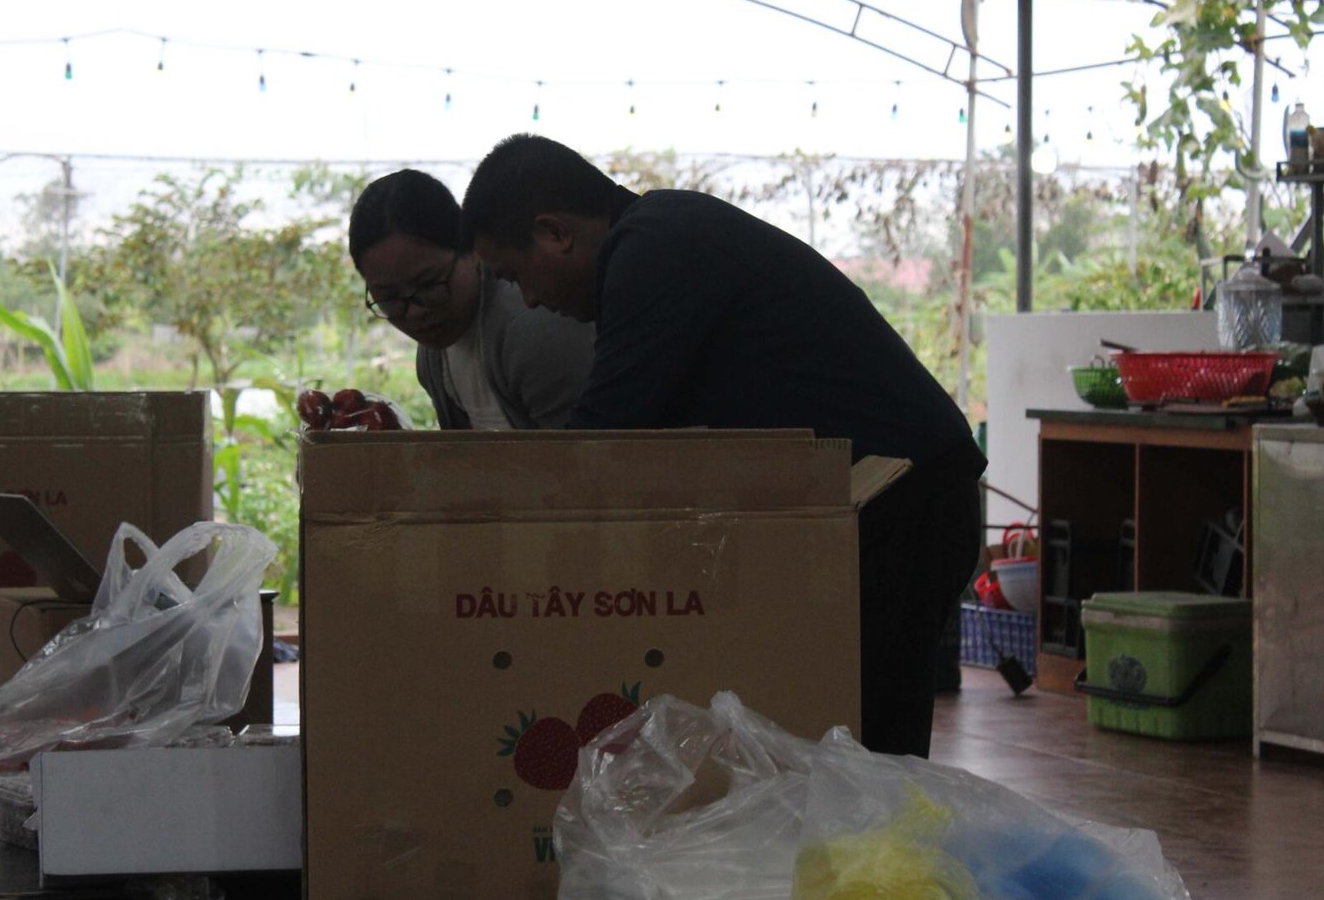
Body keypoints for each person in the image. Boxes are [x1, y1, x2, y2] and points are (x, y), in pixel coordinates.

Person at [461, 134, 984, 757]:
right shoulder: (661, 236)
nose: (530, 299)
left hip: (903, 499)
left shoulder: (653, 249)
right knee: (847, 753)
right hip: (887, 501)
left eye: (516, 276)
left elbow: (602, 446)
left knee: (866, 758)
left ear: (554, 233)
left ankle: (889, 857)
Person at [348, 168, 594, 429]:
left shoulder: (534, 332)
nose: (414, 313)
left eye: (429, 284)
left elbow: (582, 461)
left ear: (471, 250)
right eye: (389, 298)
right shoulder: (435, 354)